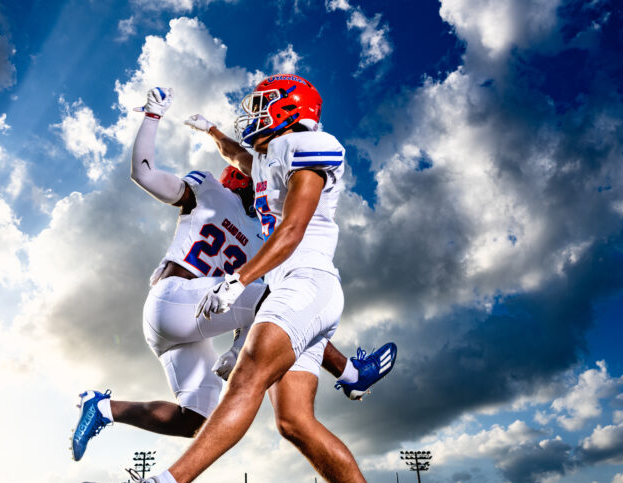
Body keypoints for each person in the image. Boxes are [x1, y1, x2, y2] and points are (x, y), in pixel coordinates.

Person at [78, 76, 411, 483]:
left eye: (259, 105)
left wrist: (238, 279)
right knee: (294, 422)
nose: (250, 113)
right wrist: (212, 130)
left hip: (300, 287)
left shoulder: (307, 144)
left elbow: (293, 229)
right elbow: (242, 160)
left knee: (248, 375)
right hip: (294, 295)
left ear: (286, 108)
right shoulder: (273, 159)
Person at [71, 86, 397, 462]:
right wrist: (237, 348)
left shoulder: (217, 198)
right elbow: (238, 163)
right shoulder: (260, 229)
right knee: (284, 297)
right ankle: (351, 373)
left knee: (195, 420)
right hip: (183, 301)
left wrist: (157, 118)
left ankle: (103, 409)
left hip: (175, 318)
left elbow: (145, 173)